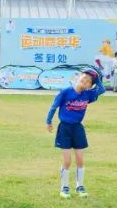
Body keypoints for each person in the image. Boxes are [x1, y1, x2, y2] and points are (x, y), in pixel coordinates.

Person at [45, 68, 105, 199]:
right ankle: (64, 187)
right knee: (67, 161)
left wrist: (97, 78)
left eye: (89, 81)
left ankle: (80, 186)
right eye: (84, 77)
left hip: (78, 128)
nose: (85, 80)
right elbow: (54, 106)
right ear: (79, 77)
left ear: (90, 85)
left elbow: (102, 90)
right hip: (65, 128)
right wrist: (48, 121)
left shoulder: (88, 94)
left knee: (80, 160)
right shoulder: (66, 92)